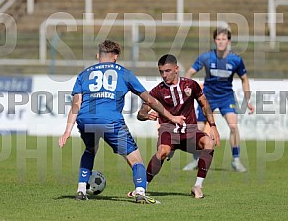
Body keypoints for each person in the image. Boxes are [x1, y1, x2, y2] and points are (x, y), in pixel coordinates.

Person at [58, 40, 185, 204]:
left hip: (85, 120)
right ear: (115, 57)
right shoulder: (124, 73)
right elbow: (151, 101)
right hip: (110, 121)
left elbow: (76, 104)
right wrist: (172, 117)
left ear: (98, 55)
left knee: (90, 149)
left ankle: (81, 190)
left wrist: (67, 131)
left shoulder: (84, 74)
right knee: (136, 159)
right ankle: (140, 192)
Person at [128, 54, 220, 199]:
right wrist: (145, 115)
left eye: (168, 71)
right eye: (161, 72)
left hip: (190, 131)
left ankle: (197, 186)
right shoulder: (157, 91)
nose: (164, 75)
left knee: (208, 142)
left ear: (176, 69)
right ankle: (142, 187)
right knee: (163, 151)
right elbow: (141, 112)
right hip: (168, 131)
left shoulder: (190, 85)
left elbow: (204, 104)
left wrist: (213, 126)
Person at [183, 27, 255, 172]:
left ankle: (235, 160)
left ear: (228, 41)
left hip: (226, 97)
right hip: (207, 97)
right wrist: (186, 87)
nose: (221, 42)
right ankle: (196, 159)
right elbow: (190, 72)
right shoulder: (206, 57)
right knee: (199, 128)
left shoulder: (236, 60)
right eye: (218, 39)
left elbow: (244, 79)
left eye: (224, 39)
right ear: (215, 40)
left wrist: (247, 100)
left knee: (234, 126)